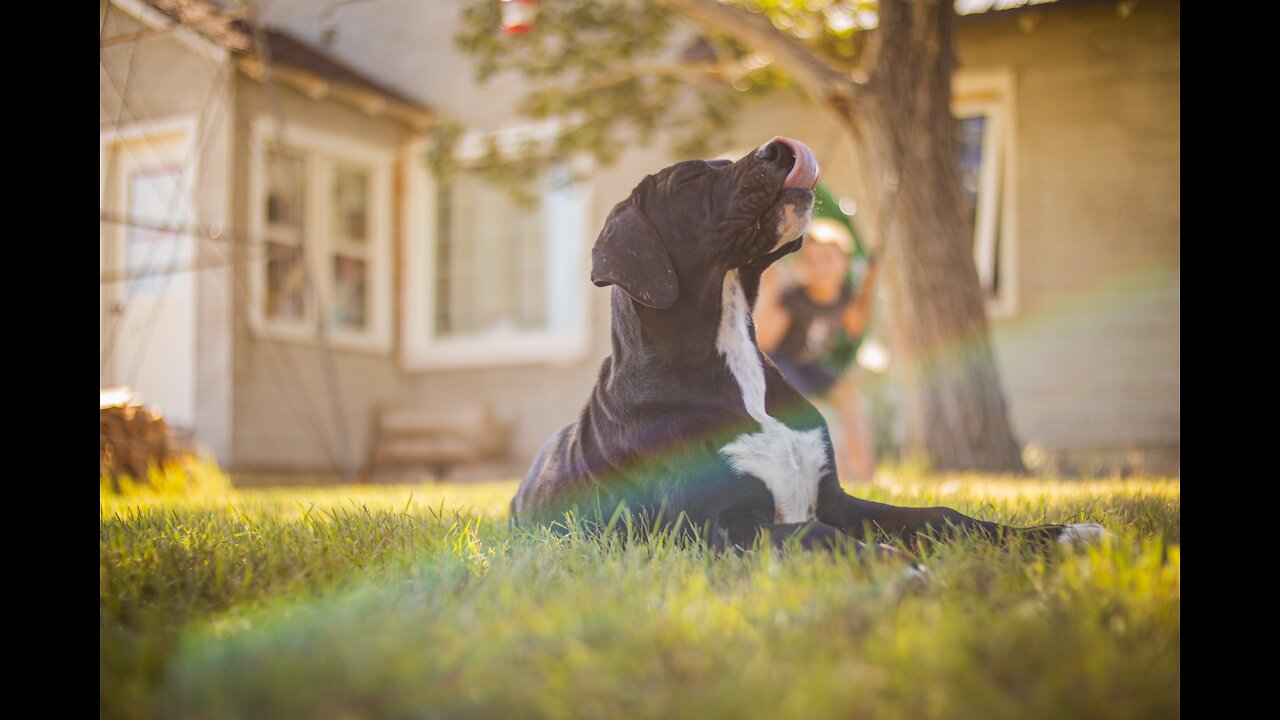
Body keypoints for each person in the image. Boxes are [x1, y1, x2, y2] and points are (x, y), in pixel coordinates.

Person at [755, 215, 879, 483]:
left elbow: (855, 325)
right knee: (809, 410)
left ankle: (866, 473)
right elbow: (765, 341)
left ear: (845, 263)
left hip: (808, 365)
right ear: (801, 266)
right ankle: (835, 475)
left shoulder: (845, 295)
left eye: (827, 259)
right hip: (783, 365)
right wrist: (770, 286)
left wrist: (869, 285)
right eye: (811, 260)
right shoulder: (793, 298)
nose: (819, 267)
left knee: (848, 394)